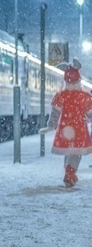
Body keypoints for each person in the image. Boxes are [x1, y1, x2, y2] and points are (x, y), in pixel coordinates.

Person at [38, 58, 92, 187]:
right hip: (79, 127)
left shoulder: (61, 95)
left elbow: (55, 112)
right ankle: (70, 172)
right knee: (76, 152)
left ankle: (68, 170)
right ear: (79, 80)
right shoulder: (85, 96)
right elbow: (90, 112)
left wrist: (51, 125)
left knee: (69, 150)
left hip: (65, 127)